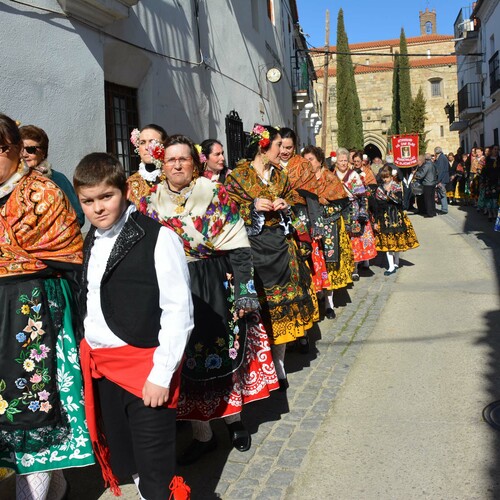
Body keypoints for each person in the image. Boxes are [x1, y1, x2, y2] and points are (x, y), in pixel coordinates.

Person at [139, 134, 278, 465]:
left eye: (183, 159)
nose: (176, 164)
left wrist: (245, 291)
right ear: (162, 164)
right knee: (186, 363)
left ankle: (234, 422)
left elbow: (239, 246)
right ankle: (203, 435)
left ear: (195, 163)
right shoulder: (148, 204)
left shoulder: (215, 195)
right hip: (173, 287)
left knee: (225, 354)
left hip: (216, 279)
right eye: (170, 159)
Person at [74, 152, 193, 499]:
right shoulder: (91, 240)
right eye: (88, 201)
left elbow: (178, 310)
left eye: (106, 197)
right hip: (104, 370)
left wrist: (161, 375)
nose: (97, 208)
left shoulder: (158, 237)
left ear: (125, 190)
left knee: (157, 472)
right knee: (133, 464)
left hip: (146, 369)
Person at [0, 113, 94, 499]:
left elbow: (65, 250)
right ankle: (56, 488)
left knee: (33, 407)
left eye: (0, 148)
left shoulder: (42, 192)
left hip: (31, 308)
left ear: (18, 151)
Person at [225, 125, 315, 390]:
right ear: (264, 147)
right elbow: (227, 211)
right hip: (252, 251)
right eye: (279, 146)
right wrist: (251, 206)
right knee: (260, 309)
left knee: (283, 309)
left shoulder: (281, 177)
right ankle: (257, 364)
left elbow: (292, 200)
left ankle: (279, 365)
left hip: (281, 247)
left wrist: (286, 206)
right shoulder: (238, 176)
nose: (283, 151)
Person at [302, 145, 354, 319]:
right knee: (315, 266)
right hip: (311, 228)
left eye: (310, 160)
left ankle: (329, 305)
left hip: (330, 227)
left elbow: (343, 202)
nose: (308, 163)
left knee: (329, 265)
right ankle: (317, 298)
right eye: (305, 160)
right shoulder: (304, 180)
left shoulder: (330, 178)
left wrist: (328, 203)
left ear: (319, 161)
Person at [19, 124, 85, 226]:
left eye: (30, 149)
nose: (24, 154)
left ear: (43, 153)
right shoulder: (11, 181)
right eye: (20, 149)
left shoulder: (58, 179)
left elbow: (78, 216)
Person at [334, 148, 378, 280]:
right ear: (336, 161)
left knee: (354, 239)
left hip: (352, 209)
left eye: (345, 160)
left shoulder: (354, 175)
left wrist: (362, 212)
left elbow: (362, 195)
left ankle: (355, 268)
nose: (342, 163)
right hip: (339, 209)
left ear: (348, 161)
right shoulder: (332, 175)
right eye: (340, 160)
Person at [372, 165, 419, 275]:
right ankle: (391, 266)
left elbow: (400, 202)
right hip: (385, 218)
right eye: (383, 177)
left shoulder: (396, 186)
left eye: (387, 177)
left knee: (397, 240)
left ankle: (396, 261)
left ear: (391, 176)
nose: (385, 179)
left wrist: (390, 195)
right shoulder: (379, 189)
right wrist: (376, 220)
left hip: (396, 217)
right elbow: (378, 206)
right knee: (388, 242)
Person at [127, 124, 168, 208]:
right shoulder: (130, 183)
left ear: (164, 145)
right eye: (142, 142)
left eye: (152, 142)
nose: (146, 147)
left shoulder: (174, 177)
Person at [414, 153, 437, 217]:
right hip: (433, 183)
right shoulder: (433, 164)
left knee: (428, 199)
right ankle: (433, 212)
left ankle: (429, 213)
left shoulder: (426, 165)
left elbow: (421, 175)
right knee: (432, 199)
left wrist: (416, 174)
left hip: (427, 183)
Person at [434, 146, 450, 214]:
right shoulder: (443, 157)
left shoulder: (441, 158)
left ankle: (444, 209)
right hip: (444, 178)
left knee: (442, 194)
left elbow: (440, 170)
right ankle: (444, 208)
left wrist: (438, 181)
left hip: (442, 179)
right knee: (442, 194)